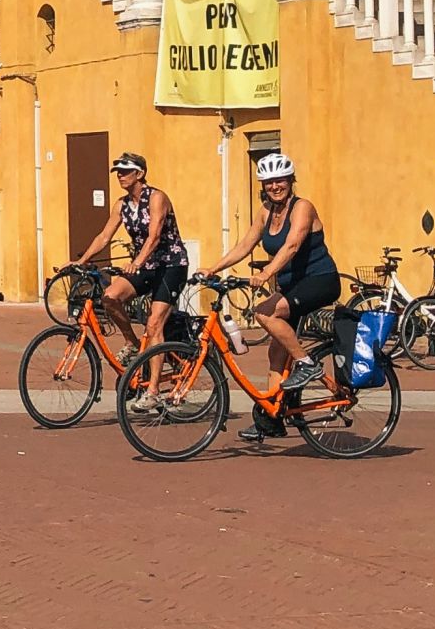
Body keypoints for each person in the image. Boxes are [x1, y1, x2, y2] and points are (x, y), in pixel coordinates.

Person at [202, 152, 340, 440]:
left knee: (264, 313)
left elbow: (291, 246)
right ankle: (272, 417)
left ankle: (307, 364)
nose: (275, 186)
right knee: (276, 353)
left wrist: (265, 274)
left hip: (319, 281)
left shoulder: (303, 207)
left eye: (280, 180)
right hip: (292, 287)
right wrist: (214, 268)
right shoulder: (266, 211)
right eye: (268, 182)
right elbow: (245, 244)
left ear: (291, 181)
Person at [69, 152, 186, 370]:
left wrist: (137, 263)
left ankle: (153, 390)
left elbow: (155, 236)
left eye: (125, 172)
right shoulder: (121, 204)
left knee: (153, 325)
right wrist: (81, 261)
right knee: (110, 297)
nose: (120, 176)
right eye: (117, 173)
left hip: (170, 265)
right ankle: (132, 343)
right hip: (146, 266)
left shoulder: (156, 197)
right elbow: (104, 236)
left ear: (140, 173)